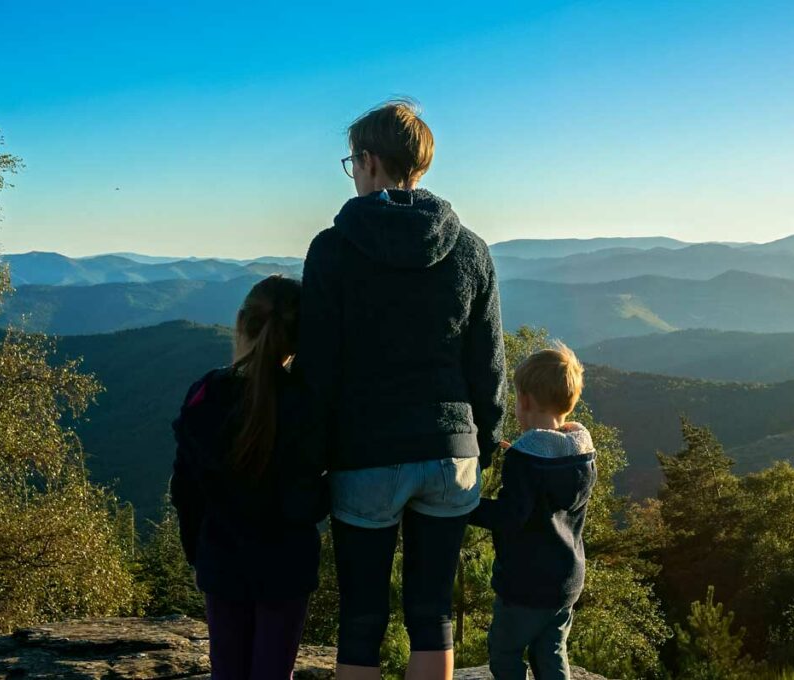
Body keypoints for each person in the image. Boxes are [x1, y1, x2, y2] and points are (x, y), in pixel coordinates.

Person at [297, 100, 506, 679]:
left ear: (369, 161)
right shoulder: (471, 250)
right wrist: (480, 447)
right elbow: (488, 369)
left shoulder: (334, 248)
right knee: (432, 613)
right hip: (450, 452)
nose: (354, 172)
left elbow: (317, 368)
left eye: (352, 161)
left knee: (362, 616)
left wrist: (309, 460)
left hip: (365, 453)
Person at [170, 275, 326, 680]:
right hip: (286, 567)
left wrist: (197, 554)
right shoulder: (307, 403)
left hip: (222, 561)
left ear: (241, 322)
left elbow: (185, 491)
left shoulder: (206, 393)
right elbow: (308, 499)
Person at [470, 343, 597, 680]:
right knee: (551, 652)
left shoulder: (525, 462)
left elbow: (511, 517)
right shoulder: (582, 455)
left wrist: (466, 507)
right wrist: (523, 462)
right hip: (566, 581)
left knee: (505, 652)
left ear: (524, 401)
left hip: (525, 583)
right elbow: (549, 494)